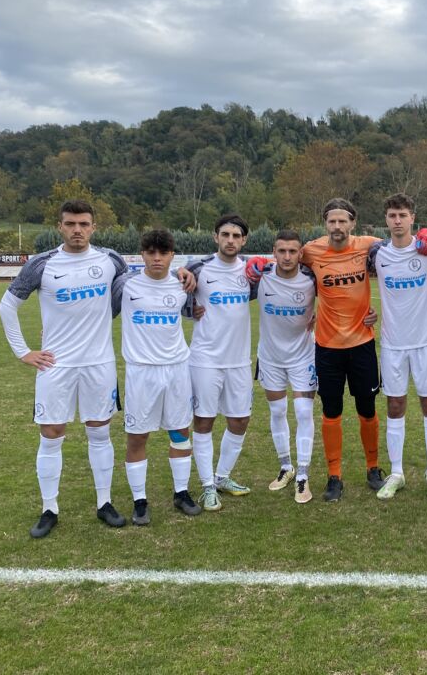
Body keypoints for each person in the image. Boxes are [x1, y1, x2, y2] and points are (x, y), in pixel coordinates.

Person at [0, 199, 129, 538]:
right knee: (52, 434)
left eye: (84, 224)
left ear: (93, 227)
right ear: (60, 226)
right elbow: (7, 306)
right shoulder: (43, 264)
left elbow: (127, 298)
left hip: (98, 364)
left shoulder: (110, 260)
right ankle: (49, 508)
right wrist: (24, 352)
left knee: (99, 431)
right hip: (56, 366)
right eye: (70, 224)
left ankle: (105, 503)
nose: (77, 230)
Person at [256, 198, 382, 503]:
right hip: (326, 347)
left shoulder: (369, 245)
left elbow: (406, 246)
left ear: (353, 222)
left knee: (367, 410)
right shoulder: (310, 251)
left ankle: (373, 468)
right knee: (331, 411)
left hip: (362, 342)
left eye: (343, 221)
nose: (337, 227)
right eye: (332, 221)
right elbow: (280, 265)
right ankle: (334, 476)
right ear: (325, 223)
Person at [369, 193, 427, 502]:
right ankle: (397, 473)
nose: (397, 220)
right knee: (395, 406)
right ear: (386, 219)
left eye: (402, 215)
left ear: (412, 218)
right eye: (392, 215)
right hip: (393, 344)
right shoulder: (377, 254)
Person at [113, 229, 201, 524]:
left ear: (172, 255)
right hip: (141, 372)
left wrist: (185, 273)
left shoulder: (182, 284)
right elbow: (93, 312)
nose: (157, 258)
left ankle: (181, 493)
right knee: (137, 437)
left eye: (163, 253)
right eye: (151, 253)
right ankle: (140, 501)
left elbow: (195, 307)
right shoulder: (125, 285)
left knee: (180, 432)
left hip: (177, 369)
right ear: (142, 255)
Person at [180, 215, 257, 512]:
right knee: (204, 422)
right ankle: (207, 486)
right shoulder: (199, 267)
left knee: (240, 421)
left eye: (237, 235)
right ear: (215, 237)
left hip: (238, 360)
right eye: (225, 234)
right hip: (205, 359)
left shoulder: (250, 271)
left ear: (244, 240)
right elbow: (180, 301)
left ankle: (222, 476)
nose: (230, 240)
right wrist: (190, 308)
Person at [255, 230, 318, 504]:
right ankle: (286, 467)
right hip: (270, 357)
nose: (287, 256)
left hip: (303, 355)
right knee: (277, 410)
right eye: (282, 251)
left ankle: (303, 474)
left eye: (293, 251)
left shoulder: (311, 279)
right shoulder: (260, 276)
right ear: (274, 251)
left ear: (300, 253)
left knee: (304, 412)